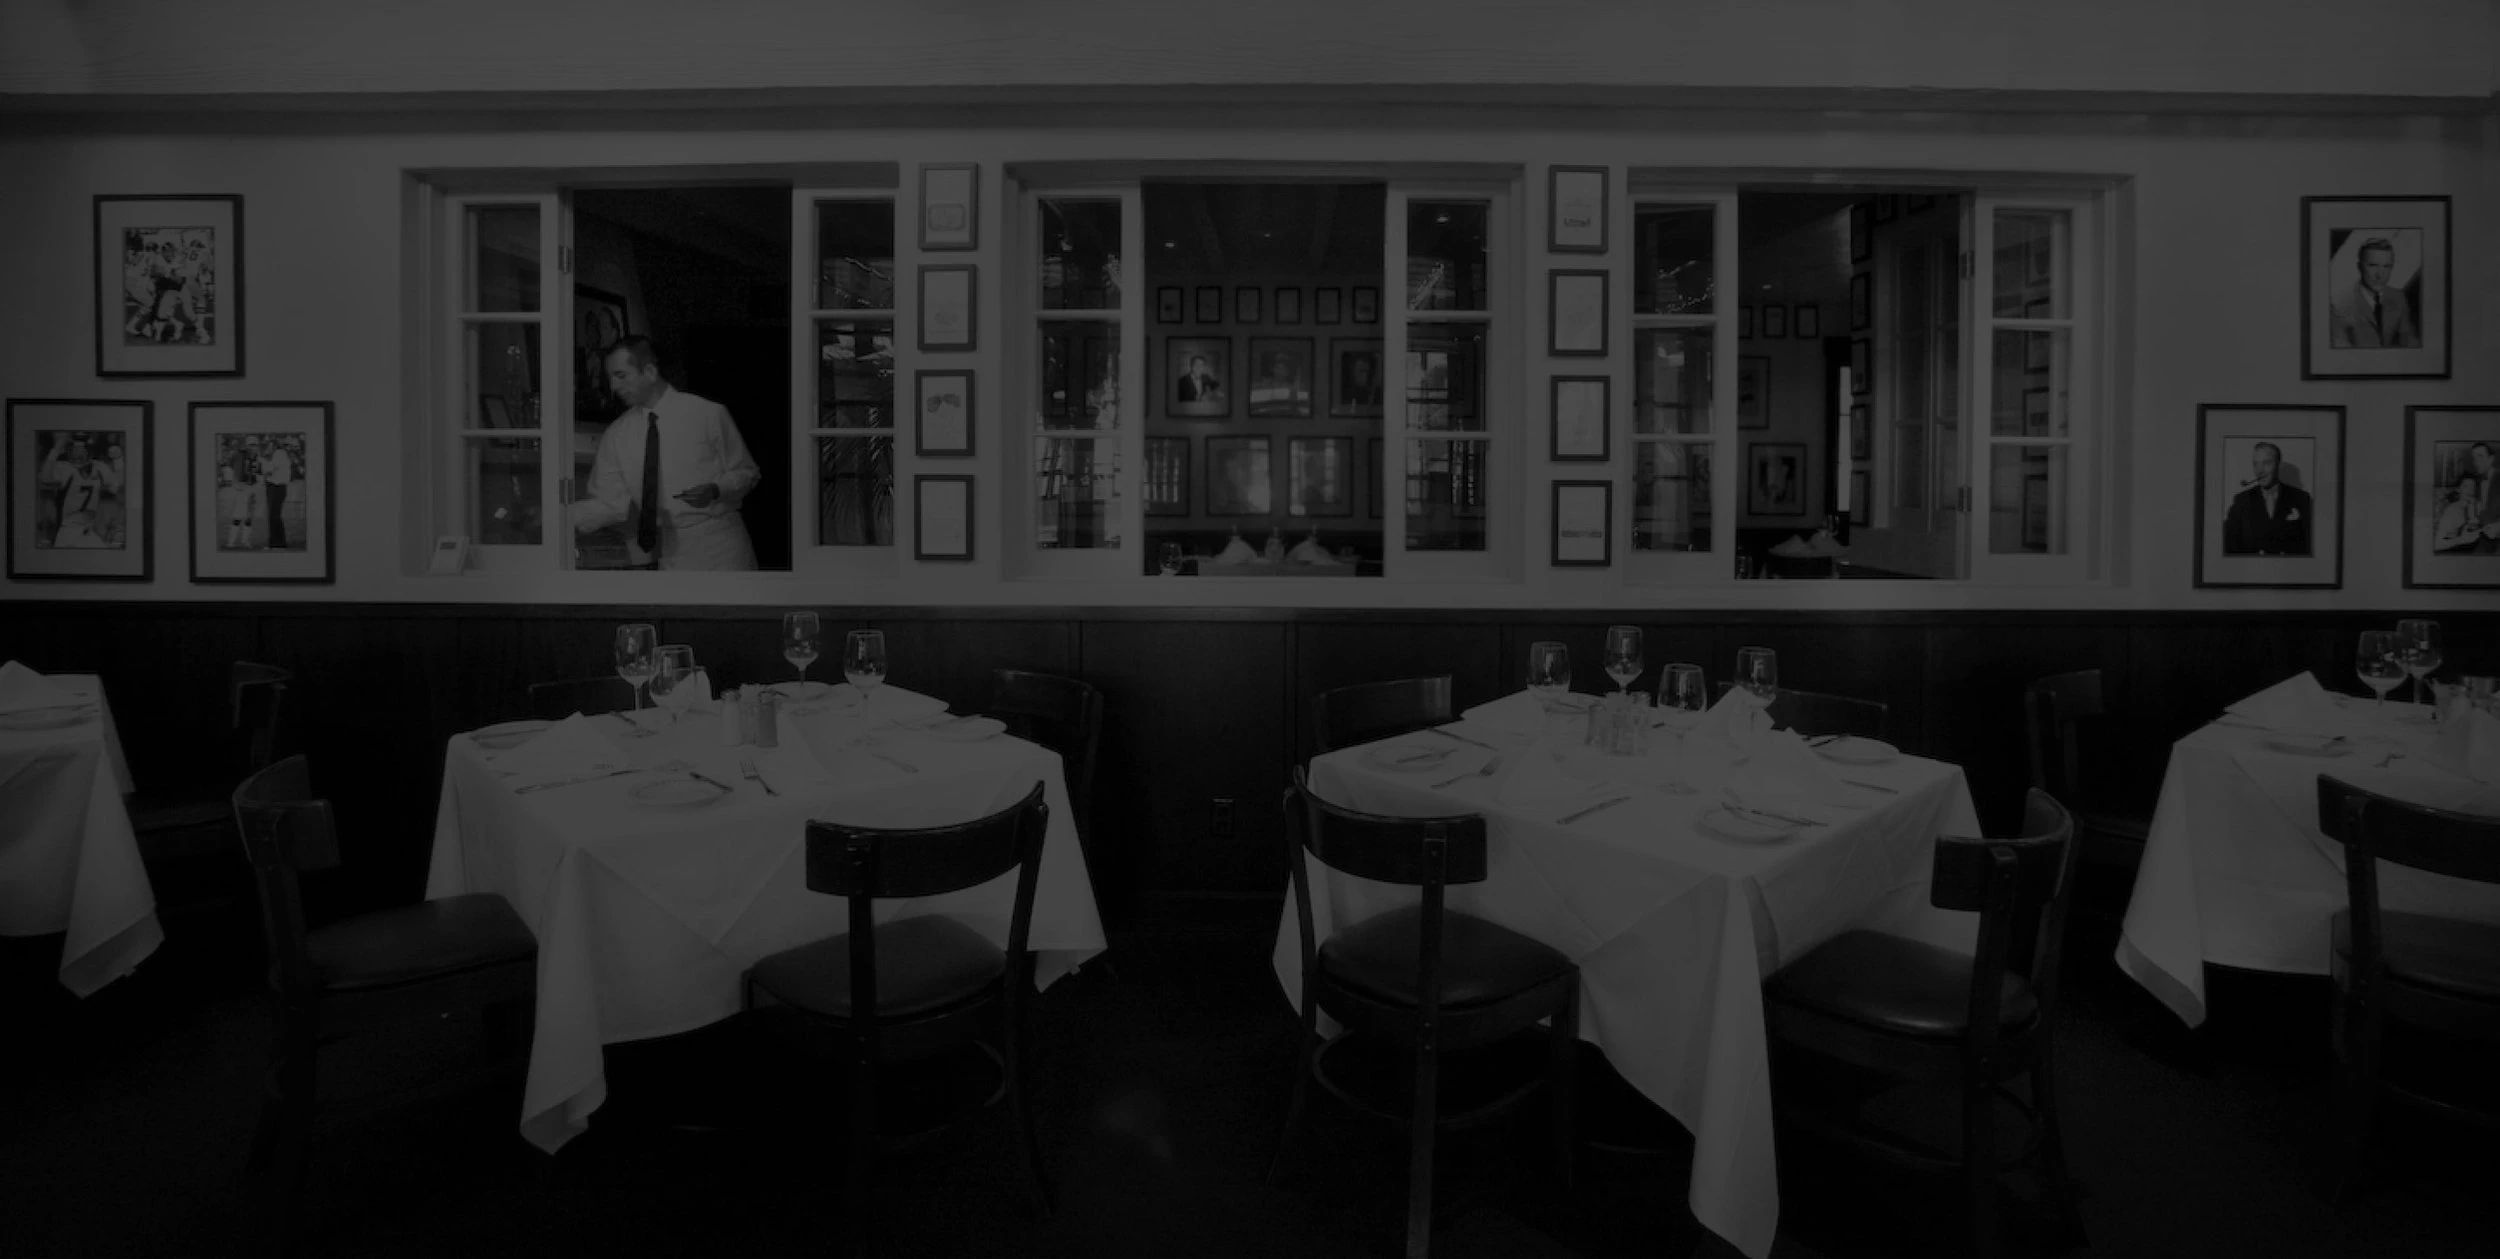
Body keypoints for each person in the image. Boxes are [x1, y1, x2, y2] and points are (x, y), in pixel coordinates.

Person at [571, 335, 760, 570]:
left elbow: (747, 473)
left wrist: (716, 490)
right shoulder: (617, 435)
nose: (613, 387)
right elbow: (608, 504)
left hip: (721, 548)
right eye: (610, 378)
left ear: (650, 372)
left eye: (621, 376)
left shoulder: (707, 414)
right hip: (669, 553)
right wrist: (557, 517)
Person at [2221, 441, 2312, 556]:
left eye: (2266, 463)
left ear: (2279, 465)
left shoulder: (2301, 498)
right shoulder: (2241, 501)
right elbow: (2230, 548)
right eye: (2256, 464)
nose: (2259, 471)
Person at [2329, 236, 2419, 349]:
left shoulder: (2398, 297)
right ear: (2359, 267)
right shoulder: (2339, 305)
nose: (2379, 275)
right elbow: (2341, 352)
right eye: (2373, 266)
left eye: (2386, 266)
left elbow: (2408, 338)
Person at [43, 435, 122, 549]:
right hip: (68, 531)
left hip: (87, 530)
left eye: (81, 450)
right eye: (74, 450)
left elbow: (118, 485)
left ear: (89, 451)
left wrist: (118, 459)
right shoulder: (64, 468)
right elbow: (44, 477)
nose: (77, 455)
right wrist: (55, 450)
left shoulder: (99, 467)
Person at [224, 438, 262, 549]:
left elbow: (258, 472)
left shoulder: (256, 457)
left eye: (255, 445)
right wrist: (234, 482)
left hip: (252, 487)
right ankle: (231, 542)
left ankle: (245, 541)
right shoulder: (239, 455)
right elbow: (229, 467)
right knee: (238, 515)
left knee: (249, 516)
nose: (253, 447)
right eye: (251, 445)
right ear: (246, 445)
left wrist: (258, 483)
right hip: (241, 487)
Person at [258, 438, 295, 549]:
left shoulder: (279, 454)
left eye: (269, 446)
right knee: (275, 516)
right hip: (277, 487)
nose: (267, 448)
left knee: (273, 516)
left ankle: (275, 544)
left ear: (274, 446)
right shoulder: (281, 455)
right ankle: (279, 543)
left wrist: (261, 459)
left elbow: (268, 470)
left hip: (276, 487)